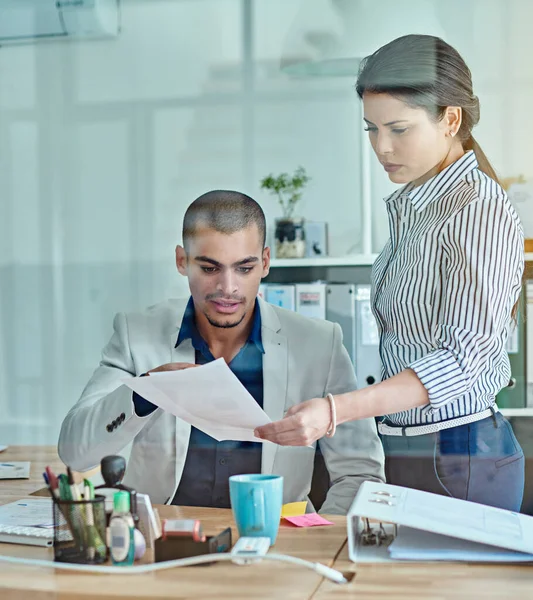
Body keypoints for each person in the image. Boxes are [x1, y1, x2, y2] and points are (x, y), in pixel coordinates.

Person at [255, 35, 525, 512]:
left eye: (398, 129)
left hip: (460, 456)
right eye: (371, 129)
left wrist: (339, 409)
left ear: (450, 120)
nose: (382, 146)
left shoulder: (477, 208)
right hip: (409, 449)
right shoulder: (417, 208)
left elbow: (461, 361)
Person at [58, 191, 384, 514]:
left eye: (244, 268)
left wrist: (316, 544)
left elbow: (360, 473)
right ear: (182, 261)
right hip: (163, 542)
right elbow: (76, 452)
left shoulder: (319, 343)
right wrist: (144, 391)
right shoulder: (136, 333)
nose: (228, 287)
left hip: (278, 545)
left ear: (265, 262)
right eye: (210, 268)